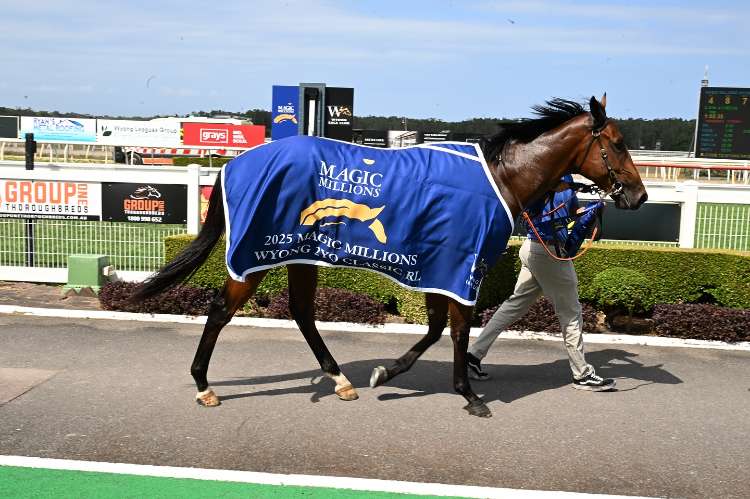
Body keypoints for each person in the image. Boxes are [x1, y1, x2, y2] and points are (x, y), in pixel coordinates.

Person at [466, 175, 615, 391]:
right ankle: (582, 374)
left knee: (514, 305)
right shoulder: (543, 180)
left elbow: (573, 213)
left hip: (534, 249)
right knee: (571, 313)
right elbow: (537, 212)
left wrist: (592, 210)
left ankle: (473, 356)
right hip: (549, 253)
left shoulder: (564, 180)